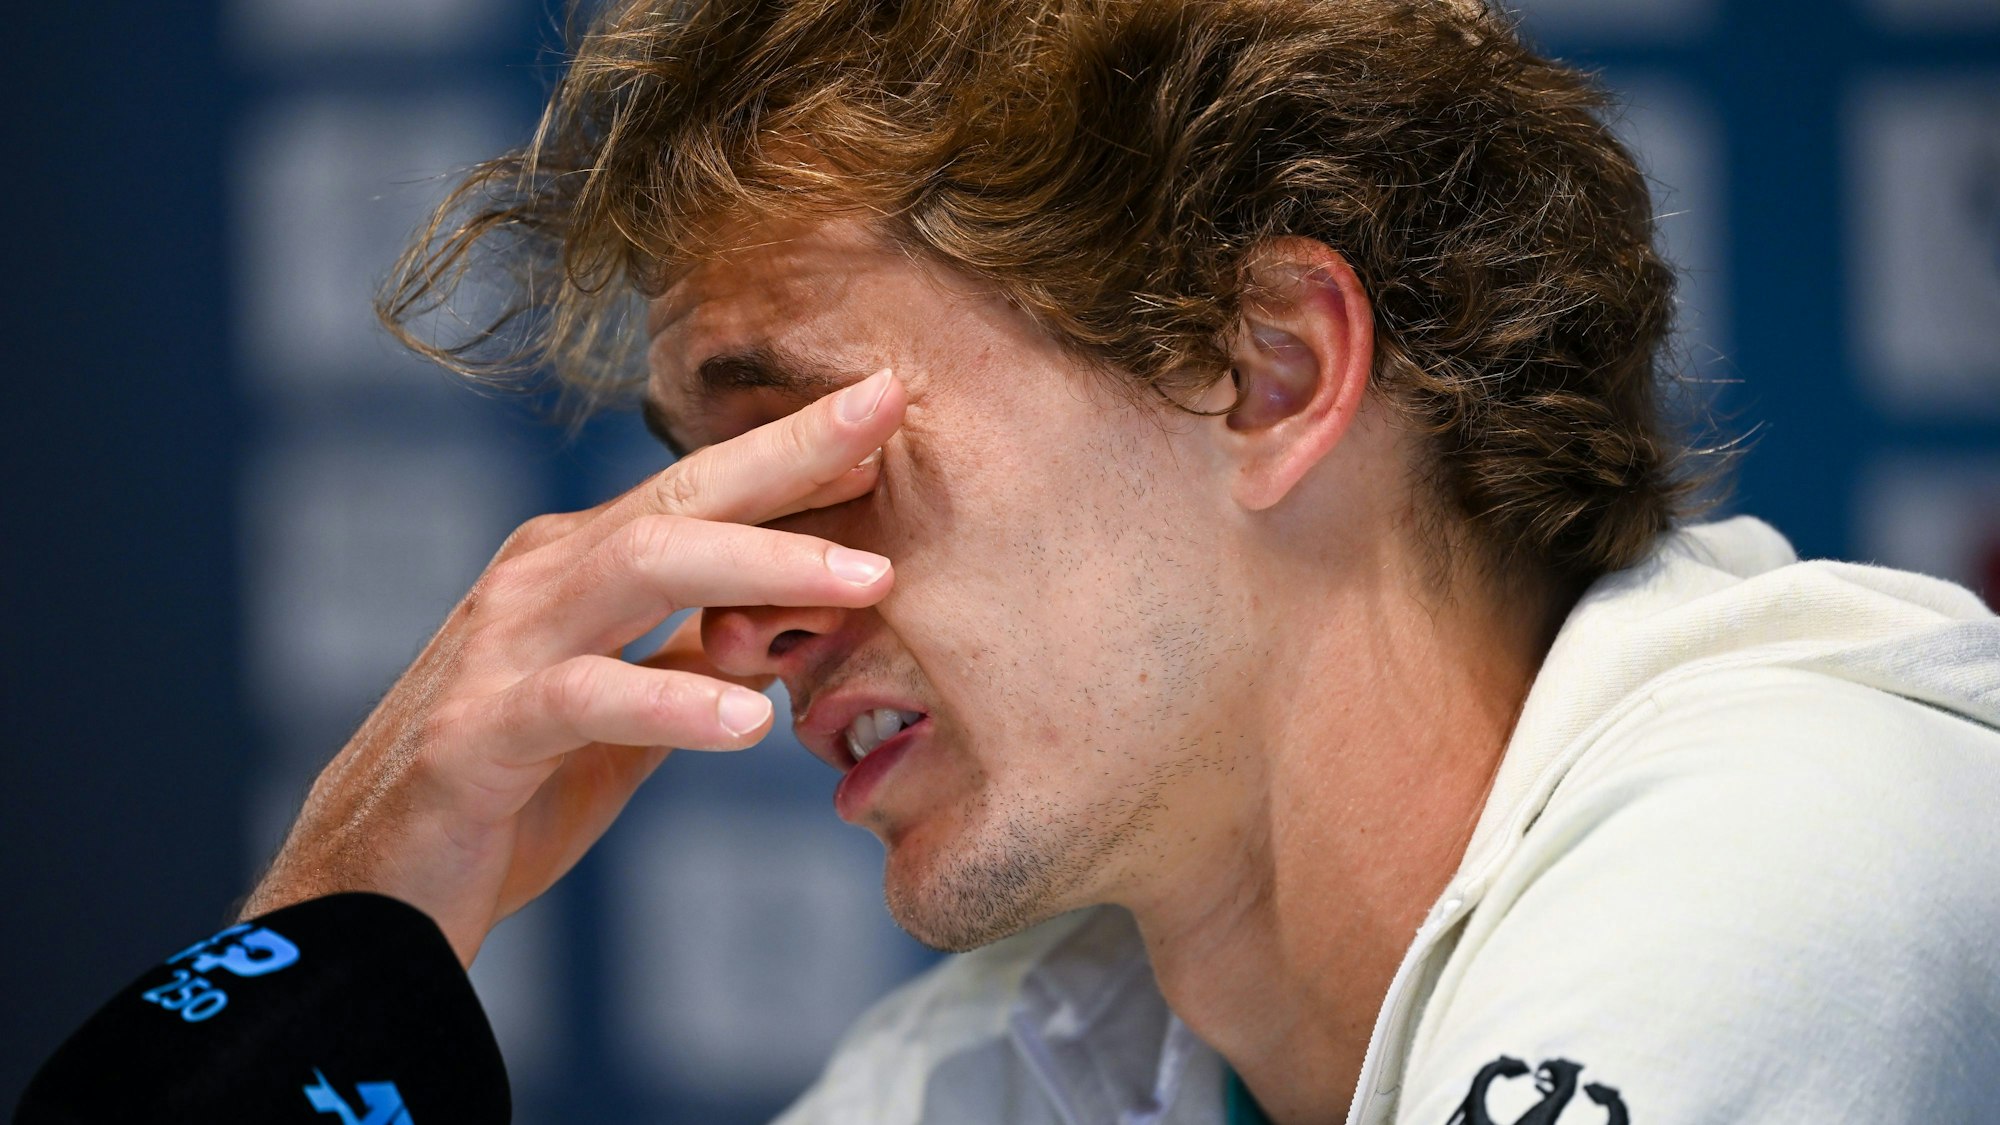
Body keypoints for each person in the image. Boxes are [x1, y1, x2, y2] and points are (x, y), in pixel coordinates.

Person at [20, 0, 2000, 1122]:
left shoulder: (1806, 846)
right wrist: (339, 923)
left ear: (1266, 367)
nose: (748, 616)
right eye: (717, 487)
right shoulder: (1015, 1055)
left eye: (807, 450)